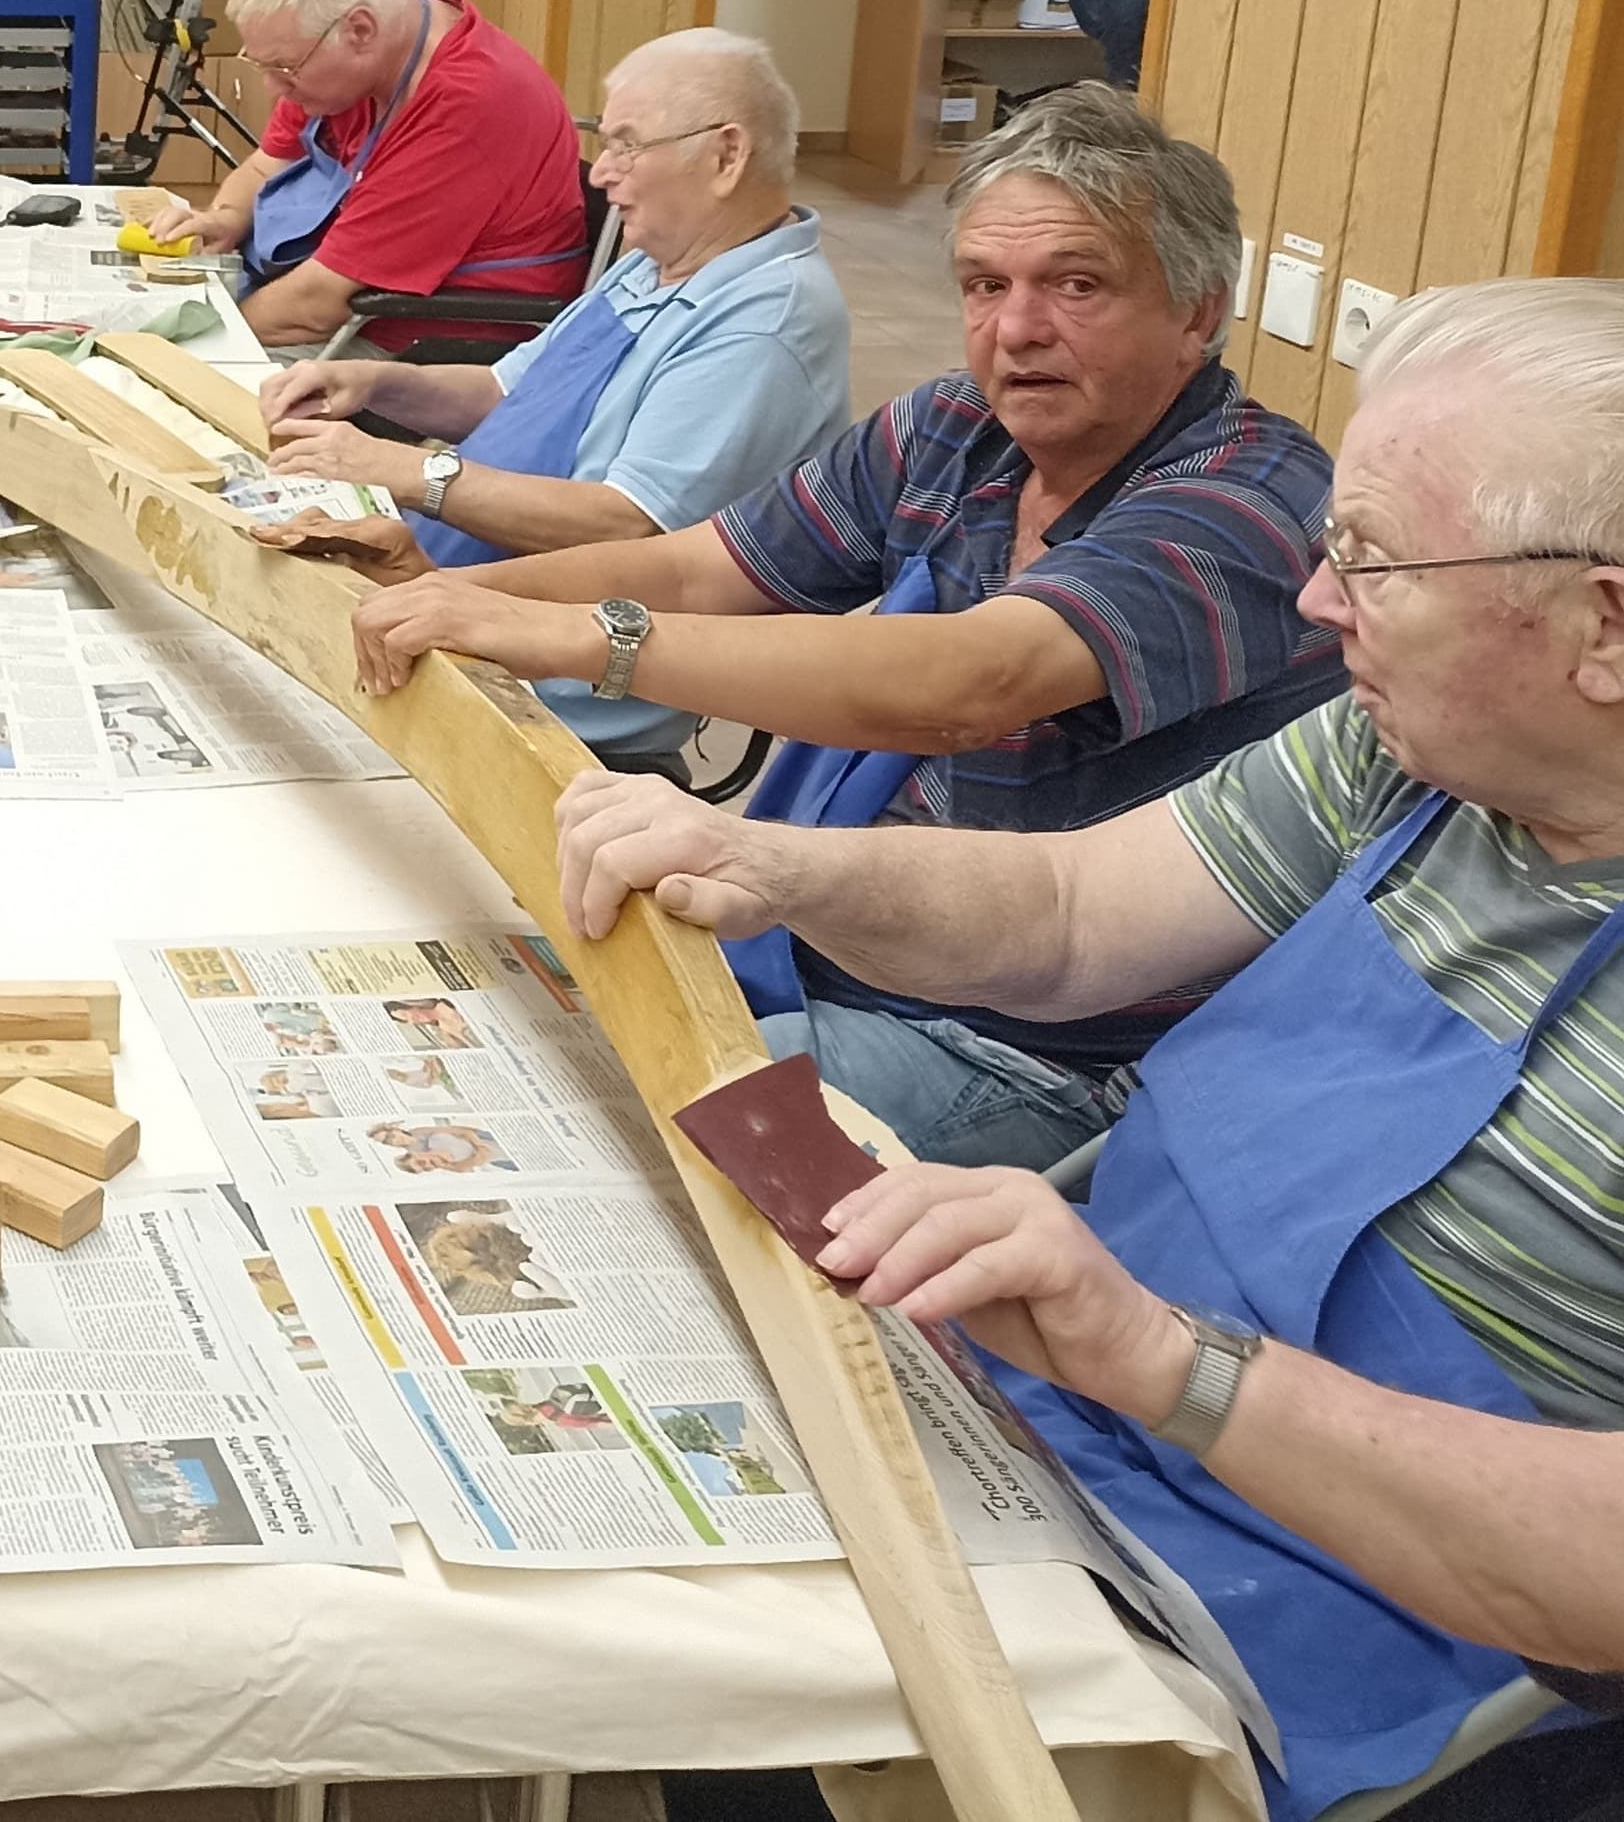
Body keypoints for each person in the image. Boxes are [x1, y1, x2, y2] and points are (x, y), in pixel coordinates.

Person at [550, 279, 1624, 1821]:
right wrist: (778, 866)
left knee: (762, 1729)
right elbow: (1066, 913)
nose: (1320, 610)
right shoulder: (1419, 761)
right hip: (1099, 1418)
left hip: (1369, 1624)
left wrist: (1164, 1364)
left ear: (1605, 624)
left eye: (1375, 564)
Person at [352, 83, 1342, 1168]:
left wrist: (599, 638)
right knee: (488, 1017)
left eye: (1078, 285)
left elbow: (973, 681)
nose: (1017, 329)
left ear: (1197, 311)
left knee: (591, 1135)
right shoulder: (959, 425)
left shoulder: (1248, 502)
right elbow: (703, 565)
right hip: (843, 929)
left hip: (1028, 1047)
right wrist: (471, 599)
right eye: (984, 284)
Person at [257, 28, 850, 777]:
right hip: (451, 597)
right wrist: (374, 385)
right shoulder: (660, 264)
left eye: (629, 146)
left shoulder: (766, 321)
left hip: (548, 697)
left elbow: (626, 527)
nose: (603, 174)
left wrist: (411, 471)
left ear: (727, 156)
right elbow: (507, 388)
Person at [159, 0, 590, 352]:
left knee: (156, 383)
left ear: (361, 30)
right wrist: (227, 217)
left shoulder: (462, 106)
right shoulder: (345, 49)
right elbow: (264, 166)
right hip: (336, 294)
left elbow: (316, 306)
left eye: (284, 68)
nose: (274, 88)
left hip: (421, 338)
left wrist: (186, 339)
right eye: (261, 66)